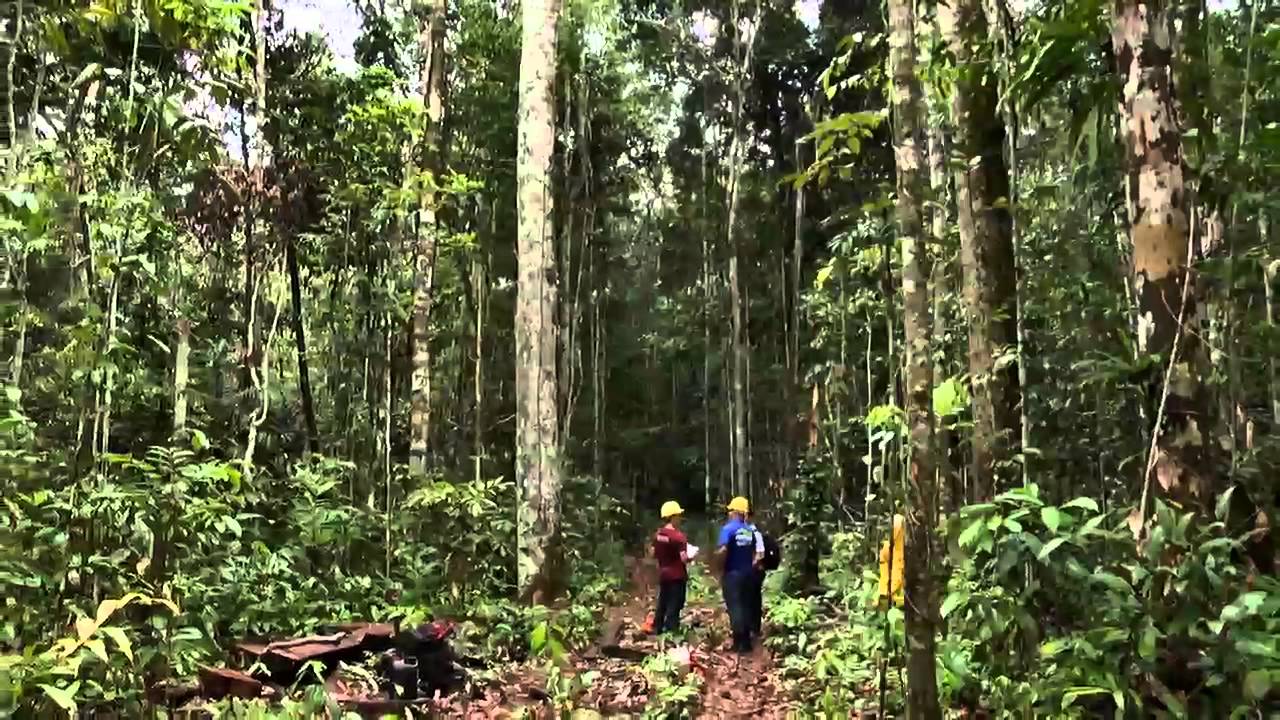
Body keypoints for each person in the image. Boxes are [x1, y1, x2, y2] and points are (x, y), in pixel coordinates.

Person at [716, 496, 762, 653]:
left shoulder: (728, 529)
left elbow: (723, 550)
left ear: (735, 512)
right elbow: (756, 553)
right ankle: (747, 642)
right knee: (746, 605)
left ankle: (739, 642)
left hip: (732, 574)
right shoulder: (750, 531)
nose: (729, 514)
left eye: (730, 511)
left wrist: (718, 566)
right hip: (748, 574)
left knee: (735, 606)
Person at [651, 500, 690, 634]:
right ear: (672, 517)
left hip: (664, 573)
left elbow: (653, 553)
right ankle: (671, 629)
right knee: (676, 603)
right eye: (678, 515)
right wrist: (691, 557)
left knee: (663, 601)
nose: (680, 518)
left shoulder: (658, 535)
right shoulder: (679, 537)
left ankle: (657, 627)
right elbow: (684, 558)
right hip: (677, 575)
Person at [745, 510, 766, 639]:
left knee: (753, 599)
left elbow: (760, 554)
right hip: (747, 571)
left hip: (754, 571)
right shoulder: (742, 532)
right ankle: (749, 627)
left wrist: (751, 564)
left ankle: (754, 628)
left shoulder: (754, 533)